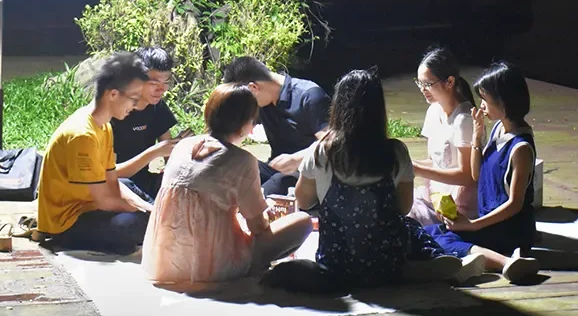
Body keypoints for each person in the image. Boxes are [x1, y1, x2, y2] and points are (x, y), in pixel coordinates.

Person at [285, 69, 482, 291]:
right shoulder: (396, 152)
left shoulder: (321, 152)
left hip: (337, 262)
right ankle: (424, 263)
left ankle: (420, 267)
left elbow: (302, 200)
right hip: (386, 259)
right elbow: (404, 207)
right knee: (411, 227)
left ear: (338, 107)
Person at [142, 84, 313, 285]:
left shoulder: (182, 146)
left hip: (165, 261)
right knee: (302, 221)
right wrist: (267, 216)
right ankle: (254, 267)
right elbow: (258, 228)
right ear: (245, 124)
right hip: (215, 265)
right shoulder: (242, 160)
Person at [425, 62, 541, 283]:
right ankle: (491, 258)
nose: (482, 106)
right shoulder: (498, 128)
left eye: (485, 100)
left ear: (504, 102)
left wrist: (473, 225)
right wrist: (477, 138)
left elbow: (516, 204)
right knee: (431, 233)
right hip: (488, 221)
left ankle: (506, 262)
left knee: (443, 240)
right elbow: (478, 175)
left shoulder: (521, 148)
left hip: (509, 228)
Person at [37, 52, 154, 255]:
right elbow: (104, 200)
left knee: (129, 187)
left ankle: (158, 219)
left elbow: (112, 182)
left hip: (88, 205)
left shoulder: (104, 126)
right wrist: (143, 211)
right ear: (113, 94)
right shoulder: (83, 135)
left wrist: (145, 207)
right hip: (67, 223)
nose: (135, 107)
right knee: (133, 223)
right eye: (134, 99)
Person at [223, 57, 330, 196]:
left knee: (272, 187)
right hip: (276, 169)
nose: (245, 106)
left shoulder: (309, 95)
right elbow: (232, 130)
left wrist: (297, 159)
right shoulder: (263, 101)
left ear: (253, 88)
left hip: (308, 175)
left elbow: (332, 144)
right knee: (234, 168)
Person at [409, 47, 479, 225]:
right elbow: (436, 161)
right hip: (435, 193)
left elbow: (467, 176)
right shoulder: (433, 111)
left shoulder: (464, 119)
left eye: (428, 84)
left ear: (449, 82)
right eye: (419, 83)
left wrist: (417, 170)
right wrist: (409, 165)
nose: (422, 89)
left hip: (457, 202)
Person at [112, 46, 188, 199]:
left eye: (166, 82)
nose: (161, 90)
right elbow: (108, 175)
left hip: (145, 182)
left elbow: (168, 155)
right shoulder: (113, 111)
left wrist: (181, 147)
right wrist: (154, 153)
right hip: (118, 186)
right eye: (154, 84)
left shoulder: (156, 107)